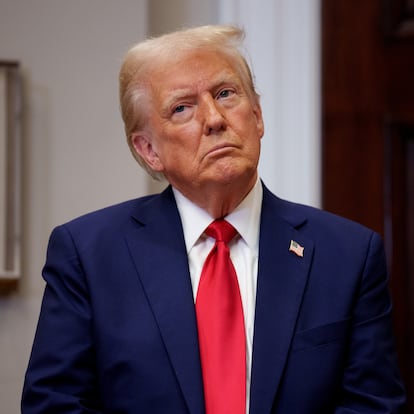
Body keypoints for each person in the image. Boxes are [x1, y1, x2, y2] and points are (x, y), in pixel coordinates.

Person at [22, 25, 406, 413]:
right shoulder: (88, 255)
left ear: (257, 116)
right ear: (149, 149)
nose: (215, 119)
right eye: (182, 107)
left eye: (225, 94)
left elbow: (373, 406)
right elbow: (54, 404)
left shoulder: (347, 255)